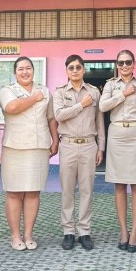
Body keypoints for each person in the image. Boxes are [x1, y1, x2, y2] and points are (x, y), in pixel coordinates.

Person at [0, 56, 58, 251]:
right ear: (15, 73)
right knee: (14, 192)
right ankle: (15, 236)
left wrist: (55, 140)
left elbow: (51, 118)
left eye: (28, 68)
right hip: (14, 147)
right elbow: (12, 107)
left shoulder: (45, 91)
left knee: (33, 192)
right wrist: (34, 98)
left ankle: (28, 235)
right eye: (20, 69)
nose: (25, 72)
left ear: (34, 70)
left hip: (38, 147)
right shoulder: (8, 90)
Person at [99, 49, 136, 253]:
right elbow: (102, 106)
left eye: (128, 62)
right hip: (117, 135)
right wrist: (123, 94)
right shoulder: (111, 85)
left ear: (134, 64)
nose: (124, 66)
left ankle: (135, 232)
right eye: (121, 62)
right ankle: (123, 231)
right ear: (117, 65)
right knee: (120, 185)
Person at [53, 54, 105, 250]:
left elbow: (99, 121)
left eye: (78, 67)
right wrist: (81, 105)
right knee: (67, 190)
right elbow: (59, 115)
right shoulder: (59, 93)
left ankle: (84, 231)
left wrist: (101, 147)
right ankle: (68, 231)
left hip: (89, 145)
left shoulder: (94, 92)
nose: (75, 71)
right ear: (66, 71)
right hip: (67, 144)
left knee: (87, 190)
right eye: (71, 68)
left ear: (84, 70)